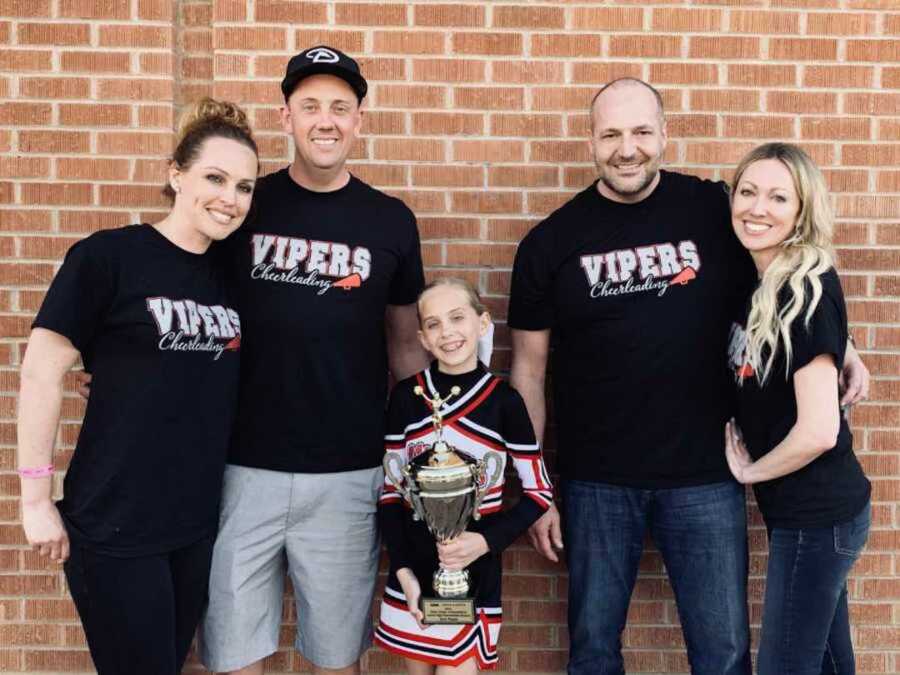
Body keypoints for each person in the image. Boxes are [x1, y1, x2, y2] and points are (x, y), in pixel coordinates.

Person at [507, 78, 871, 675]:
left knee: (723, 654)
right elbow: (527, 367)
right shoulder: (550, 242)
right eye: (612, 134)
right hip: (595, 483)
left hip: (706, 475)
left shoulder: (712, 208)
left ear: (664, 135)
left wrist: (843, 344)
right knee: (593, 650)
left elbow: (782, 261)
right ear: (591, 142)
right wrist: (536, 486)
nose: (628, 148)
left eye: (642, 132)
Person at [198, 46, 427, 675]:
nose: (325, 120)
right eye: (310, 106)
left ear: (359, 121)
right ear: (286, 117)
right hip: (240, 468)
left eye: (340, 107)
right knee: (234, 655)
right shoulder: (244, 207)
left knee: (336, 659)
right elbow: (183, 296)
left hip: (348, 474)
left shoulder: (390, 221)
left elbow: (406, 346)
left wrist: (419, 447)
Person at [17, 99, 258, 675]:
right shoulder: (108, 257)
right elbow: (42, 372)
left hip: (195, 523)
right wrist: (33, 499)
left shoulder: (231, 275)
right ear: (176, 175)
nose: (230, 198)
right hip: (115, 521)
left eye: (245, 187)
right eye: (215, 178)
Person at [724, 143, 871, 675]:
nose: (758, 208)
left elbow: (819, 431)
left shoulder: (802, 292)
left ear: (802, 211)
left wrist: (749, 471)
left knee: (785, 666)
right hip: (807, 515)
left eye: (778, 197)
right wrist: (847, 350)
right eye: (747, 192)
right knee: (830, 664)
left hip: (819, 516)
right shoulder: (768, 277)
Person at [374, 278, 553, 673]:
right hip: (412, 578)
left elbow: (539, 492)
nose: (447, 332)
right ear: (422, 337)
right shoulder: (407, 398)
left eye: (457, 318)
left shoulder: (505, 402)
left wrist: (485, 541)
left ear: (483, 323)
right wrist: (403, 570)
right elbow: (390, 495)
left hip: (474, 576)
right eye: (434, 324)